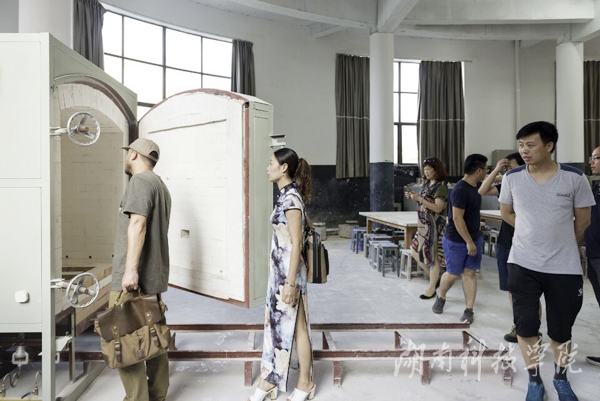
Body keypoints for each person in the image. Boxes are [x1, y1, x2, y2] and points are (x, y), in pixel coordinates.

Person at [499, 121, 594, 401]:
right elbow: (507, 212)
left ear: (549, 146)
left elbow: (584, 220)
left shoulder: (574, 178)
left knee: (561, 329)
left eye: (531, 145)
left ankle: (560, 378)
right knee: (526, 325)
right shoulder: (512, 177)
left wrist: (560, 240)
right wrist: (531, 232)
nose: (524, 150)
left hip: (564, 266)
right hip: (522, 263)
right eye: (521, 145)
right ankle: (534, 380)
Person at [249, 148, 315, 401]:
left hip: (289, 275)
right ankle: (270, 380)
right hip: (280, 274)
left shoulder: (291, 200)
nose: (268, 168)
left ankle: (305, 382)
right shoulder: (286, 196)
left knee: (298, 327)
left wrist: (290, 283)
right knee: (276, 326)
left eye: (271, 163)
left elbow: (297, 244)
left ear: (283, 167)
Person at [110, 138, 172, 401]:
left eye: (128, 154)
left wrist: (130, 270)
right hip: (153, 277)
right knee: (153, 337)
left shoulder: (140, 182)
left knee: (124, 341)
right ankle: (157, 395)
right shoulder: (160, 185)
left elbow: (138, 224)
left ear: (134, 155)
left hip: (134, 280)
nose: (126, 158)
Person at [478, 152, 535, 343]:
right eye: (506, 168)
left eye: (510, 167)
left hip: (527, 242)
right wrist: (496, 170)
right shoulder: (507, 185)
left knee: (529, 290)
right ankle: (519, 324)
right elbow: (482, 190)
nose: (507, 171)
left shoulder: (533, 185)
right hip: (506, 242)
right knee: (512, 288)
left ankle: (531, 327)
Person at [432, 154, 488, 324]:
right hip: (457, 240)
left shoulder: (477, 186)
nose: (487, 172)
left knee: (470, 273)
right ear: (478, 171)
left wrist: (500, 170)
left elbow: (494, 180)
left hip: (474, 237)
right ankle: (441, 296)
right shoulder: (460, 190)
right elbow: (457, 219)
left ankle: (469, 310)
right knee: (453, 273)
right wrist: (469, 242)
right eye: (486, 169)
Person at [405, 157, 448, 299]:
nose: (426, 172)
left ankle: (431, 289)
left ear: (437, 171)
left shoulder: (441, 187)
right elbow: (423, 202)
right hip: (423, 225)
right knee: (414, 251)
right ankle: (434, 279)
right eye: (425, 170)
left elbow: (438, 207)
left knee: (433, 257)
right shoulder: (427, 184)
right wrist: (414, 197)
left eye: (429, 169)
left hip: (435, 226)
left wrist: (420, 199)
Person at [584, 146, 600, 368]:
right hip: (594, 254)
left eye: (596, 158)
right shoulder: (596, 188)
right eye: (592, 157)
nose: (591, 162)